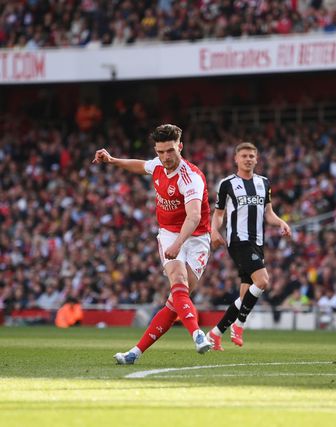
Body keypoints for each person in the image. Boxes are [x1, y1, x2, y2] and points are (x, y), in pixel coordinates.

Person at [92, 124, 213, 364]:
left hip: (196, 238)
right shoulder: (158, 165)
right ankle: (197, 334)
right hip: (168, 233)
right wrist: (112, 160)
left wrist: (179, 244)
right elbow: (141, 166)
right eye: (160, 152)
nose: (165, 157)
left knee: (175, 302)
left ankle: (134, 353)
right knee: (178, 281)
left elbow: (194, 216)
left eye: (170, 151)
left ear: (180, 147)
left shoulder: (190, 177)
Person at [207, 142, 291, 350]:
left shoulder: (264, 183)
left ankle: (215, 334)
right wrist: (214, 231)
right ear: (236, 159)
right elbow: (219, 214)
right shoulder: (227, 184)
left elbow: (268, 213)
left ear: (256, 159)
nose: (248, 159)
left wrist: (281, 222)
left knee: (245, 296)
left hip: (257, 242)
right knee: (262, 281)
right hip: (238, 240)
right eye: (244, 156)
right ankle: (239, 325)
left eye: (251, 156)